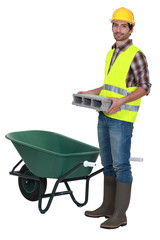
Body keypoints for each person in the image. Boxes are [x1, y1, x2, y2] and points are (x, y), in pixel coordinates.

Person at [78, 7, 151, 229]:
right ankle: (107, 207)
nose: (118, 29)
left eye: (123, 25)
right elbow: (110, 86)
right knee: (107, 164)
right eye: (115, 25)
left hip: (121, 120)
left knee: (121, 165)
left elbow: (145, 87)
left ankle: (120, 214)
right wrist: (91, 92)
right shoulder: (111, 52)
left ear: (131, 28)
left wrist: (122, 101)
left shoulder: (136, 54)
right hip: (104, 115)